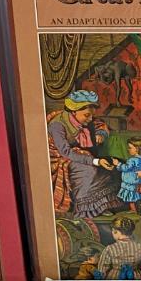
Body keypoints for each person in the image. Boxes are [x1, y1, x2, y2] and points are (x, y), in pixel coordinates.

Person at [47, 89, 120, 220]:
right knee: (89, 171)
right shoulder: (57, 125)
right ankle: (84, 210)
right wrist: (96, 161)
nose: (90, 119)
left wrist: (100, 134)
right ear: (74, 111)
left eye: (91, 115)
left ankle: (99, 206)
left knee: (111, 167)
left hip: (80, 156)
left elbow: (99, 124)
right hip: (60, 160)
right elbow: (66, 152)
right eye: (87, 115)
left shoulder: (83, 120)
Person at [96, 215, 141, 280]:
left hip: (115, 278)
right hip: (136, 277)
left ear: (115, 231)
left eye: (113, 231)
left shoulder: (110, 249)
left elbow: (102, 269)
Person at [115, 136, 141, 209]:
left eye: (130, 148)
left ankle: (134, 210)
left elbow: (125, 168)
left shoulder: (132, 160)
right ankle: (139, 209)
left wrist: (118, 164)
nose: (128, 149)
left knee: (132, 199)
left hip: (132, 183)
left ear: (137, 149)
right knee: (139, 197)